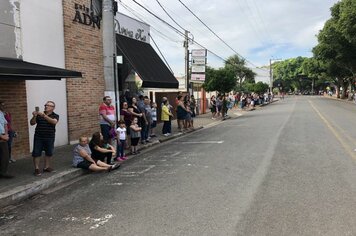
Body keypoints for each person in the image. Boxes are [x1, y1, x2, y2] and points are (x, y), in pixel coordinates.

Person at [30, 101, 59, 176]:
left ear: (53, 108)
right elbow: (32, 123)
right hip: (38, 137)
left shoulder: (55, 115)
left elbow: (54, 122)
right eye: (46, 105)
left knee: (49, 152)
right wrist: (34, 116)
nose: (46, 106)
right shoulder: (39, 114)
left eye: (49, 105)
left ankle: (46, 167)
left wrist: (44, 116)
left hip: (50, 137)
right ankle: (36, 169)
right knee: (36, 153)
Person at [0, 106, 13, 178]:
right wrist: (2, 136)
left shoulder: (1, 113)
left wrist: (6, 134)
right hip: (1, 136)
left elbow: (5, 123)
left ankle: (3, 172)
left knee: (5, 155)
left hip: (3, 136)